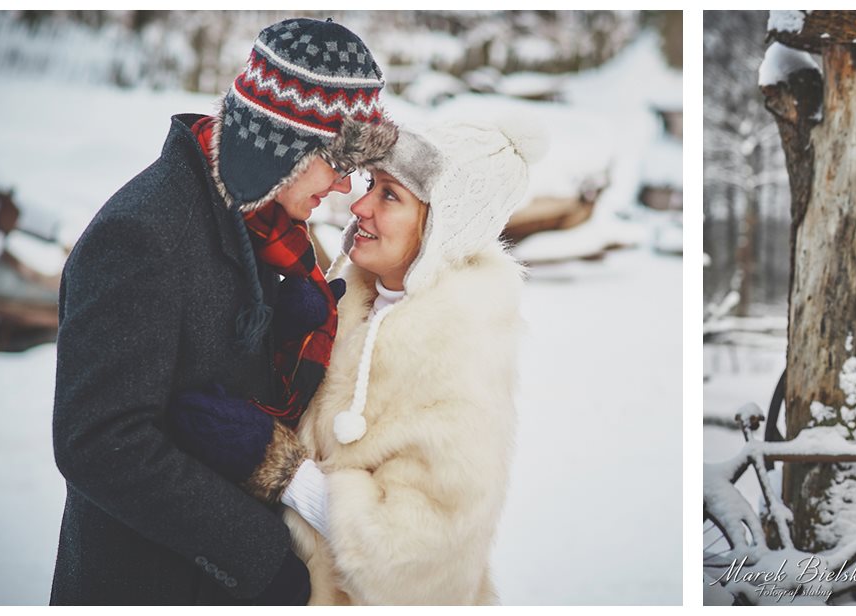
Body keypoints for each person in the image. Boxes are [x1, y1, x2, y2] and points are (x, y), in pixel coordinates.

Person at [50, 18, 394, 605]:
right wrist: (258, 554)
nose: (343, 187)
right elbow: (99, 441)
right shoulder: (144, 233)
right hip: (153, 583)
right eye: (337, 161)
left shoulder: (260, 224)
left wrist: (289, 343)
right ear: (279, 143)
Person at [173, 118, 543, 604]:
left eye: (390, 196)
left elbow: (421, 558)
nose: (359, 205)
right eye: (371, 183)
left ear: (443, 226)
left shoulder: (460, 354)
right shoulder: (353, 297)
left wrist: (283, 470)